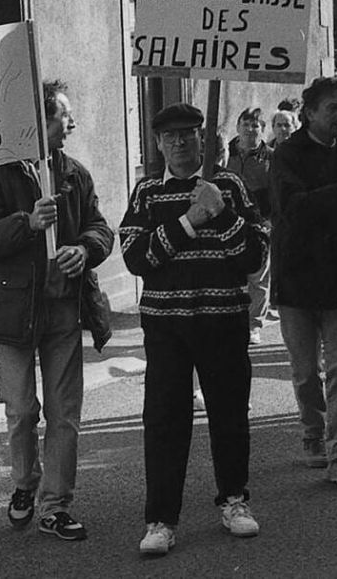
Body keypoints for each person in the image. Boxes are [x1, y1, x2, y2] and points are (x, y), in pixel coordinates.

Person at [0, 79, 114, 542]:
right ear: (37, 122)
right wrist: (26, 223)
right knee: (22, 411)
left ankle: (56, 506)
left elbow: (99, 227)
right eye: (62, 116)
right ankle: (25, 482)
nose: (71, 123)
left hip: (62, 310)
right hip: (12, 313)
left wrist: (85, 250)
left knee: (64, 412)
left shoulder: (74, 173)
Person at [121, 103, 267, 556]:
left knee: (229, 414)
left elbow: (254, 256)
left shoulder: (229, 185)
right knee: (165, 421)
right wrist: (190, 222)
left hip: (222, 319)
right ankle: (161, 518)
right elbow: (136, 258)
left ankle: (235, 500)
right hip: (167, 326)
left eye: (189, 134)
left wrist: (221, 213)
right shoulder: (146, 192)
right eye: (171, 136)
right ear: (159, 143)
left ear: (203, 138)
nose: (181, 142)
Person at [270, 76, 337, 489]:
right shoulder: (287, 155)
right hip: (297, 279)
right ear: (310, 113)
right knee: (304, 371)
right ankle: (312, 430)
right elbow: (292, 208)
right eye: (333, 107)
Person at [227, 107, 273, 344]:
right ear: (237, 128)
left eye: (255, 125)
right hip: (230, 223)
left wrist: (269, 221)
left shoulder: (271, 157)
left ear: (263, 130)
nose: (250, 129)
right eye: (245, 124)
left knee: (258, 277)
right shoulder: (226, 153)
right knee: (233, 275)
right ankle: (233, 320)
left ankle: (254, 324)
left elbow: (277, 192)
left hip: (259, 223)